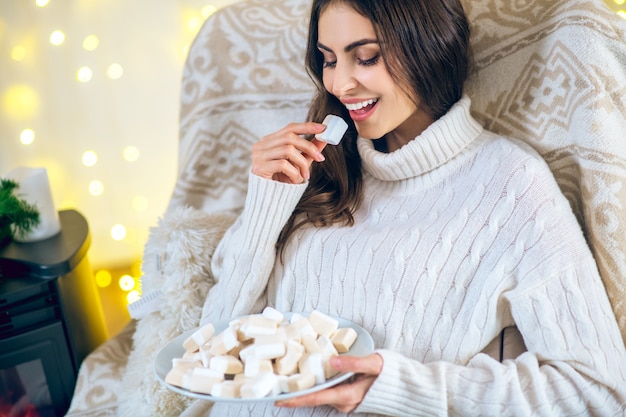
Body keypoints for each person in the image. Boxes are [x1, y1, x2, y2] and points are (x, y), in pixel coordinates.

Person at [196, 0, 626, 415]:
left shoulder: (511, 184)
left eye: (365, 57)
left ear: (429, 47)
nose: (340, 85)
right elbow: (210, 345)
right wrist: (265, 206)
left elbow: (598, 389)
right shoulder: (318, 168)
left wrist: (402, 389)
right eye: (329, 60)